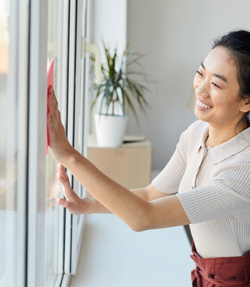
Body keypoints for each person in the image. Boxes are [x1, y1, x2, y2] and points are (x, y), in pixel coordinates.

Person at [48, 30, 250, 286]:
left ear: (246, 101)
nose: (200, 89)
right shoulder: (196, 133)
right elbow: (149, 196)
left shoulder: (244, 168)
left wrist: (68, 155)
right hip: (204, 276)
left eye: (216, 84)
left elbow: (145, 216)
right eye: (200, 74)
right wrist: (88, 205)